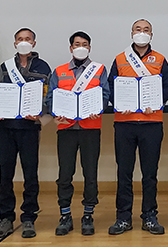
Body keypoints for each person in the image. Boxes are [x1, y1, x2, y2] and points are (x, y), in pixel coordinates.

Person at [106, 19, 168, 235]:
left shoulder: (160, 59)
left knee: (150, 173)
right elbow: (110, 86)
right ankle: (123, 217)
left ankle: (150, 216)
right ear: (131, 33)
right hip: (124, 123)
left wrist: (156, 101)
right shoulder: (120, 59)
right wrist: (119, 103)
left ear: (151, 35)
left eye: (146, 30)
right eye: (138, 29)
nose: (141, 33)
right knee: (124, 172)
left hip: (151, 123)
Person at [47, 31, 110, 236]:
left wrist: (99, 108)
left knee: (90, 174)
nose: (80, 47)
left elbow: (105, 94)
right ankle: (65, 215)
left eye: (84, 44)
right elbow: (51, 97)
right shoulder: (59, 71)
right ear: (71, 48)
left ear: (89, 48)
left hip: (90, 129)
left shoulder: (99, 69)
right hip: (66, 129)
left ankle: (88, 215)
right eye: (76, 44)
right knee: (65, 174)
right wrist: (55, 112)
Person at [0, 28, 51, 239]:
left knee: (30, 174)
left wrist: (40, 116)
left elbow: (48, 97)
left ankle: (28, 218)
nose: (23, 42)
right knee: (5, 174)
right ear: (15, 43)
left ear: (34, 43)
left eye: (27, 39)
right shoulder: (5, 67)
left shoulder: (43, 67)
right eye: (20, 39)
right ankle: (5, 217)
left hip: (30, 129)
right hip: (7, 128)